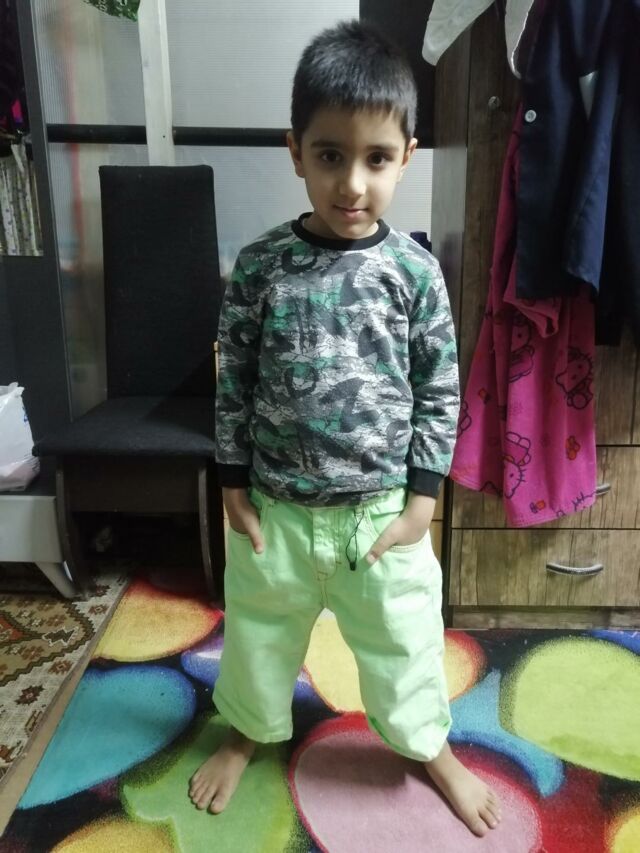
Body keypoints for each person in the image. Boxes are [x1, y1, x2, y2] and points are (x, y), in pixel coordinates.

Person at [189, 19, 502, 837]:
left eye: (377, 159)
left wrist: (424, 500)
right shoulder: (261, 267)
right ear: (295, 151)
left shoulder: (415, 272)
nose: (352, 183)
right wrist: (231, 481)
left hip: (381, 517)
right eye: (330, 155)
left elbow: (440, 387)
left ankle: (428, 744)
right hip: (277, 512)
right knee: (259, 637)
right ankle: (247, 730)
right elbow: (235, 377)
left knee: (405, 641)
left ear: (407, 154)